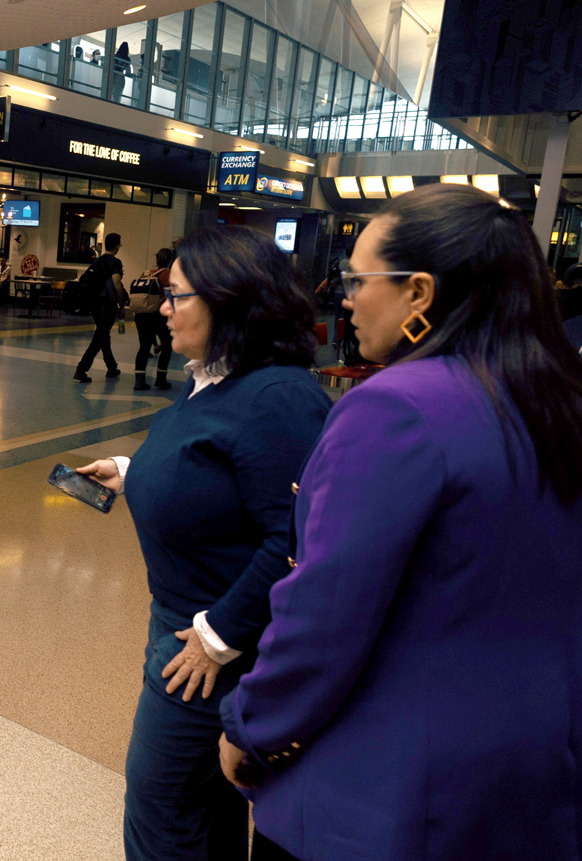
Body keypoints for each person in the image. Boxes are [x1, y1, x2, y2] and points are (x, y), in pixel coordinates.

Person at [218, 184, 582, 861]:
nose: (345, 297)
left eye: (359, 279)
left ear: (419, 292)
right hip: (527, 773)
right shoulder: (554, 400)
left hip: (384, 790)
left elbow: (326, 614)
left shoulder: (396, 408)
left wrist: (251, 724)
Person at [77, 227, 331, 861]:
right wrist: (132, 473)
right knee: (206, 804)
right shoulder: (217, 379)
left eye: (176, 296)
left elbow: (296, 538)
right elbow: (217, 476)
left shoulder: (277, 398)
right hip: (181, 623)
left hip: (213, 647)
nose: (163, 308)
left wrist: (219, 637)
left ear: (229, 301)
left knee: (162, 807)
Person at [74, 232, 126, 382]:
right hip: (107, 304)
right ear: (117, 246)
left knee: (103, 334)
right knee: (100, 337)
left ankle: (111, 367)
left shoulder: (97, 261)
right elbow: (116, 284)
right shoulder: (115, 263)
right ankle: (81, 369)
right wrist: (121, 304)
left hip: (94, 304)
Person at [132, 247, 173, 391]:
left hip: (141, 314)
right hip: (159, 315)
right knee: (167, 346)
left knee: (144, 347)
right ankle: (161, 380)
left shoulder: (145, 273)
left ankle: (139, 382)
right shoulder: (170, 274)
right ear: (170, 260)